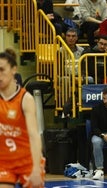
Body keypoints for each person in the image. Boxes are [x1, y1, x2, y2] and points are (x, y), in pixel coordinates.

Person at [0, 49, 45, 187]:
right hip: (5, 161)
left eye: (2, 70)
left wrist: (37, 168)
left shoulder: (26, 99)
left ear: (14, 69)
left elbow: (34, 135)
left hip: (27, 159)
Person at [90, 87, 107, 180]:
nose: (104, 100)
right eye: (103, 98)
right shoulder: (96, 109)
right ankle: (99, 169)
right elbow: (94, 127)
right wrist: (102, 135)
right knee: (96, 142)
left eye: (105, 98)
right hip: (101, 135)